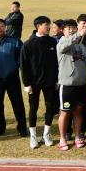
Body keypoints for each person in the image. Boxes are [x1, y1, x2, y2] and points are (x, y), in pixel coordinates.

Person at [20, 16, 59, 149]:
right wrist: (26, 84)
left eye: (49, 24)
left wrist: (56, 80)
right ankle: (33, 135)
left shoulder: (53, 42)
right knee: (33, 108)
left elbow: (56, 63)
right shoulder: (28, 44)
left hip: (50, 82)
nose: (48, 27)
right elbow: (23, 66)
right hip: (33, 83)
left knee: (50, 107)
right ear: (38, 26)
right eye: (45, 24)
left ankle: (46, 133)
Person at [56, 19, 86, 150]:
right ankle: (62, 138)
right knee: (65, 112)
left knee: (78, 111)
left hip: (81, 84)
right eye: (68, 28)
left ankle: (77, 137)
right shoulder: (62, 42)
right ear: (63, 31)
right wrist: (79, 34)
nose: (71, 30)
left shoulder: (82, 46)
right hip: (67, 84)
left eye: (73, 28)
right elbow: (67, 44)